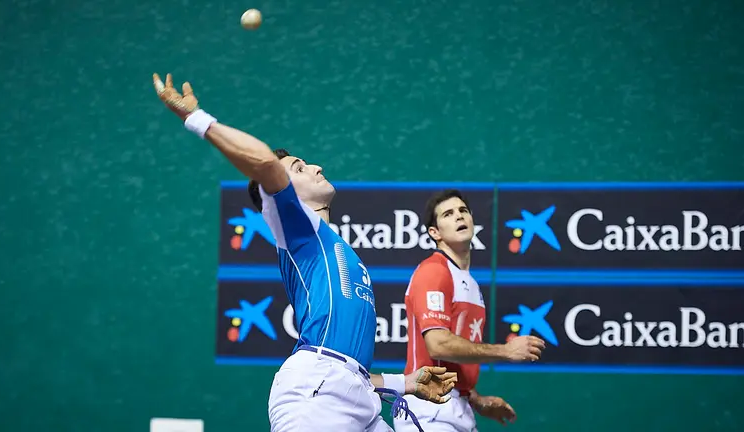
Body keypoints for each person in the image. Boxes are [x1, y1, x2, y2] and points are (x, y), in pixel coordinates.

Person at [152, 73, 458, 432]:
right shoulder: (297, 226)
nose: (316, 167)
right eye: (299, 168)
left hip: (352, 393)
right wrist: (196, 118)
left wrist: (405, 383)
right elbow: (265, 164)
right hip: (313, 394)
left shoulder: (338, 247)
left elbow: (347, 367)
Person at [394, 189, 547, 432]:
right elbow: (438, 344)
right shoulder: (433, 271)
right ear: (435, 233)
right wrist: (506, 351)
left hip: (457, 408)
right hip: (429, 409)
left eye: (463, 211)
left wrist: (475, 399)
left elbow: (451, 363)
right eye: (448, 214)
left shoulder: (470, 284)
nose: (459, 216)